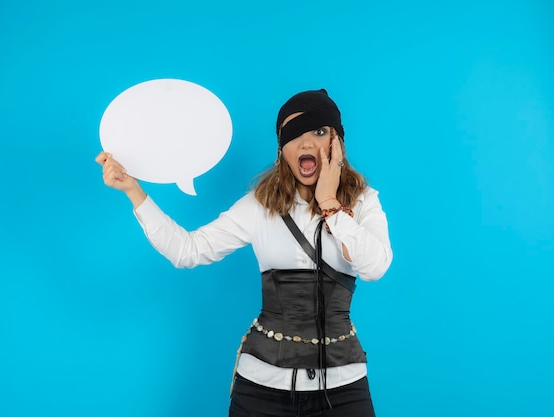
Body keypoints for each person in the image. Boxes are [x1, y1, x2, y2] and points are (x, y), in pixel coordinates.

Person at [95, 89, 392, 416]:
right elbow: (188, 251)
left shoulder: (363, 201)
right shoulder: (259, 206)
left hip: (343, 385)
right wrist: (134, 192)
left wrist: (330, 204)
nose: (307, 144)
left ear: (338, 144)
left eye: (319, 132)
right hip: (261, 388)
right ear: (282, 149)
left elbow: (374, 267)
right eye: (294, 135)